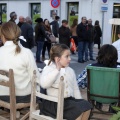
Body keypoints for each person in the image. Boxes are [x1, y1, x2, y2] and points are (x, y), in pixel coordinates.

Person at [40, 44, 92, 120]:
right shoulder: (49, 69)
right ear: (57, 59)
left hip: (67, 102)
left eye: (69, 56)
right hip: (54, 103)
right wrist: (57, 70)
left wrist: (79, 100)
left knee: (86, 106)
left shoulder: (70, 71)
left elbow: (75, 89)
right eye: (67, 56)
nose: (70, 59)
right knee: (78, 110)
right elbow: (44, 84)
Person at [0, 22, 40, 103]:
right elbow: (35, 77)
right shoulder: (26, 52)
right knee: (43, 89)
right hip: (22, 96)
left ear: (3, 36)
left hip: (2, 95)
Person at [77, 44, 118, 111]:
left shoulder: (91, 67)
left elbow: (78, 82)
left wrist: (85, 84)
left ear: (99, 55)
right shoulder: (118, 68)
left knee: (98, 84)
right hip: (114, 97)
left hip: (95, 95)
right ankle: (113, 109)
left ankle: (98, 105)